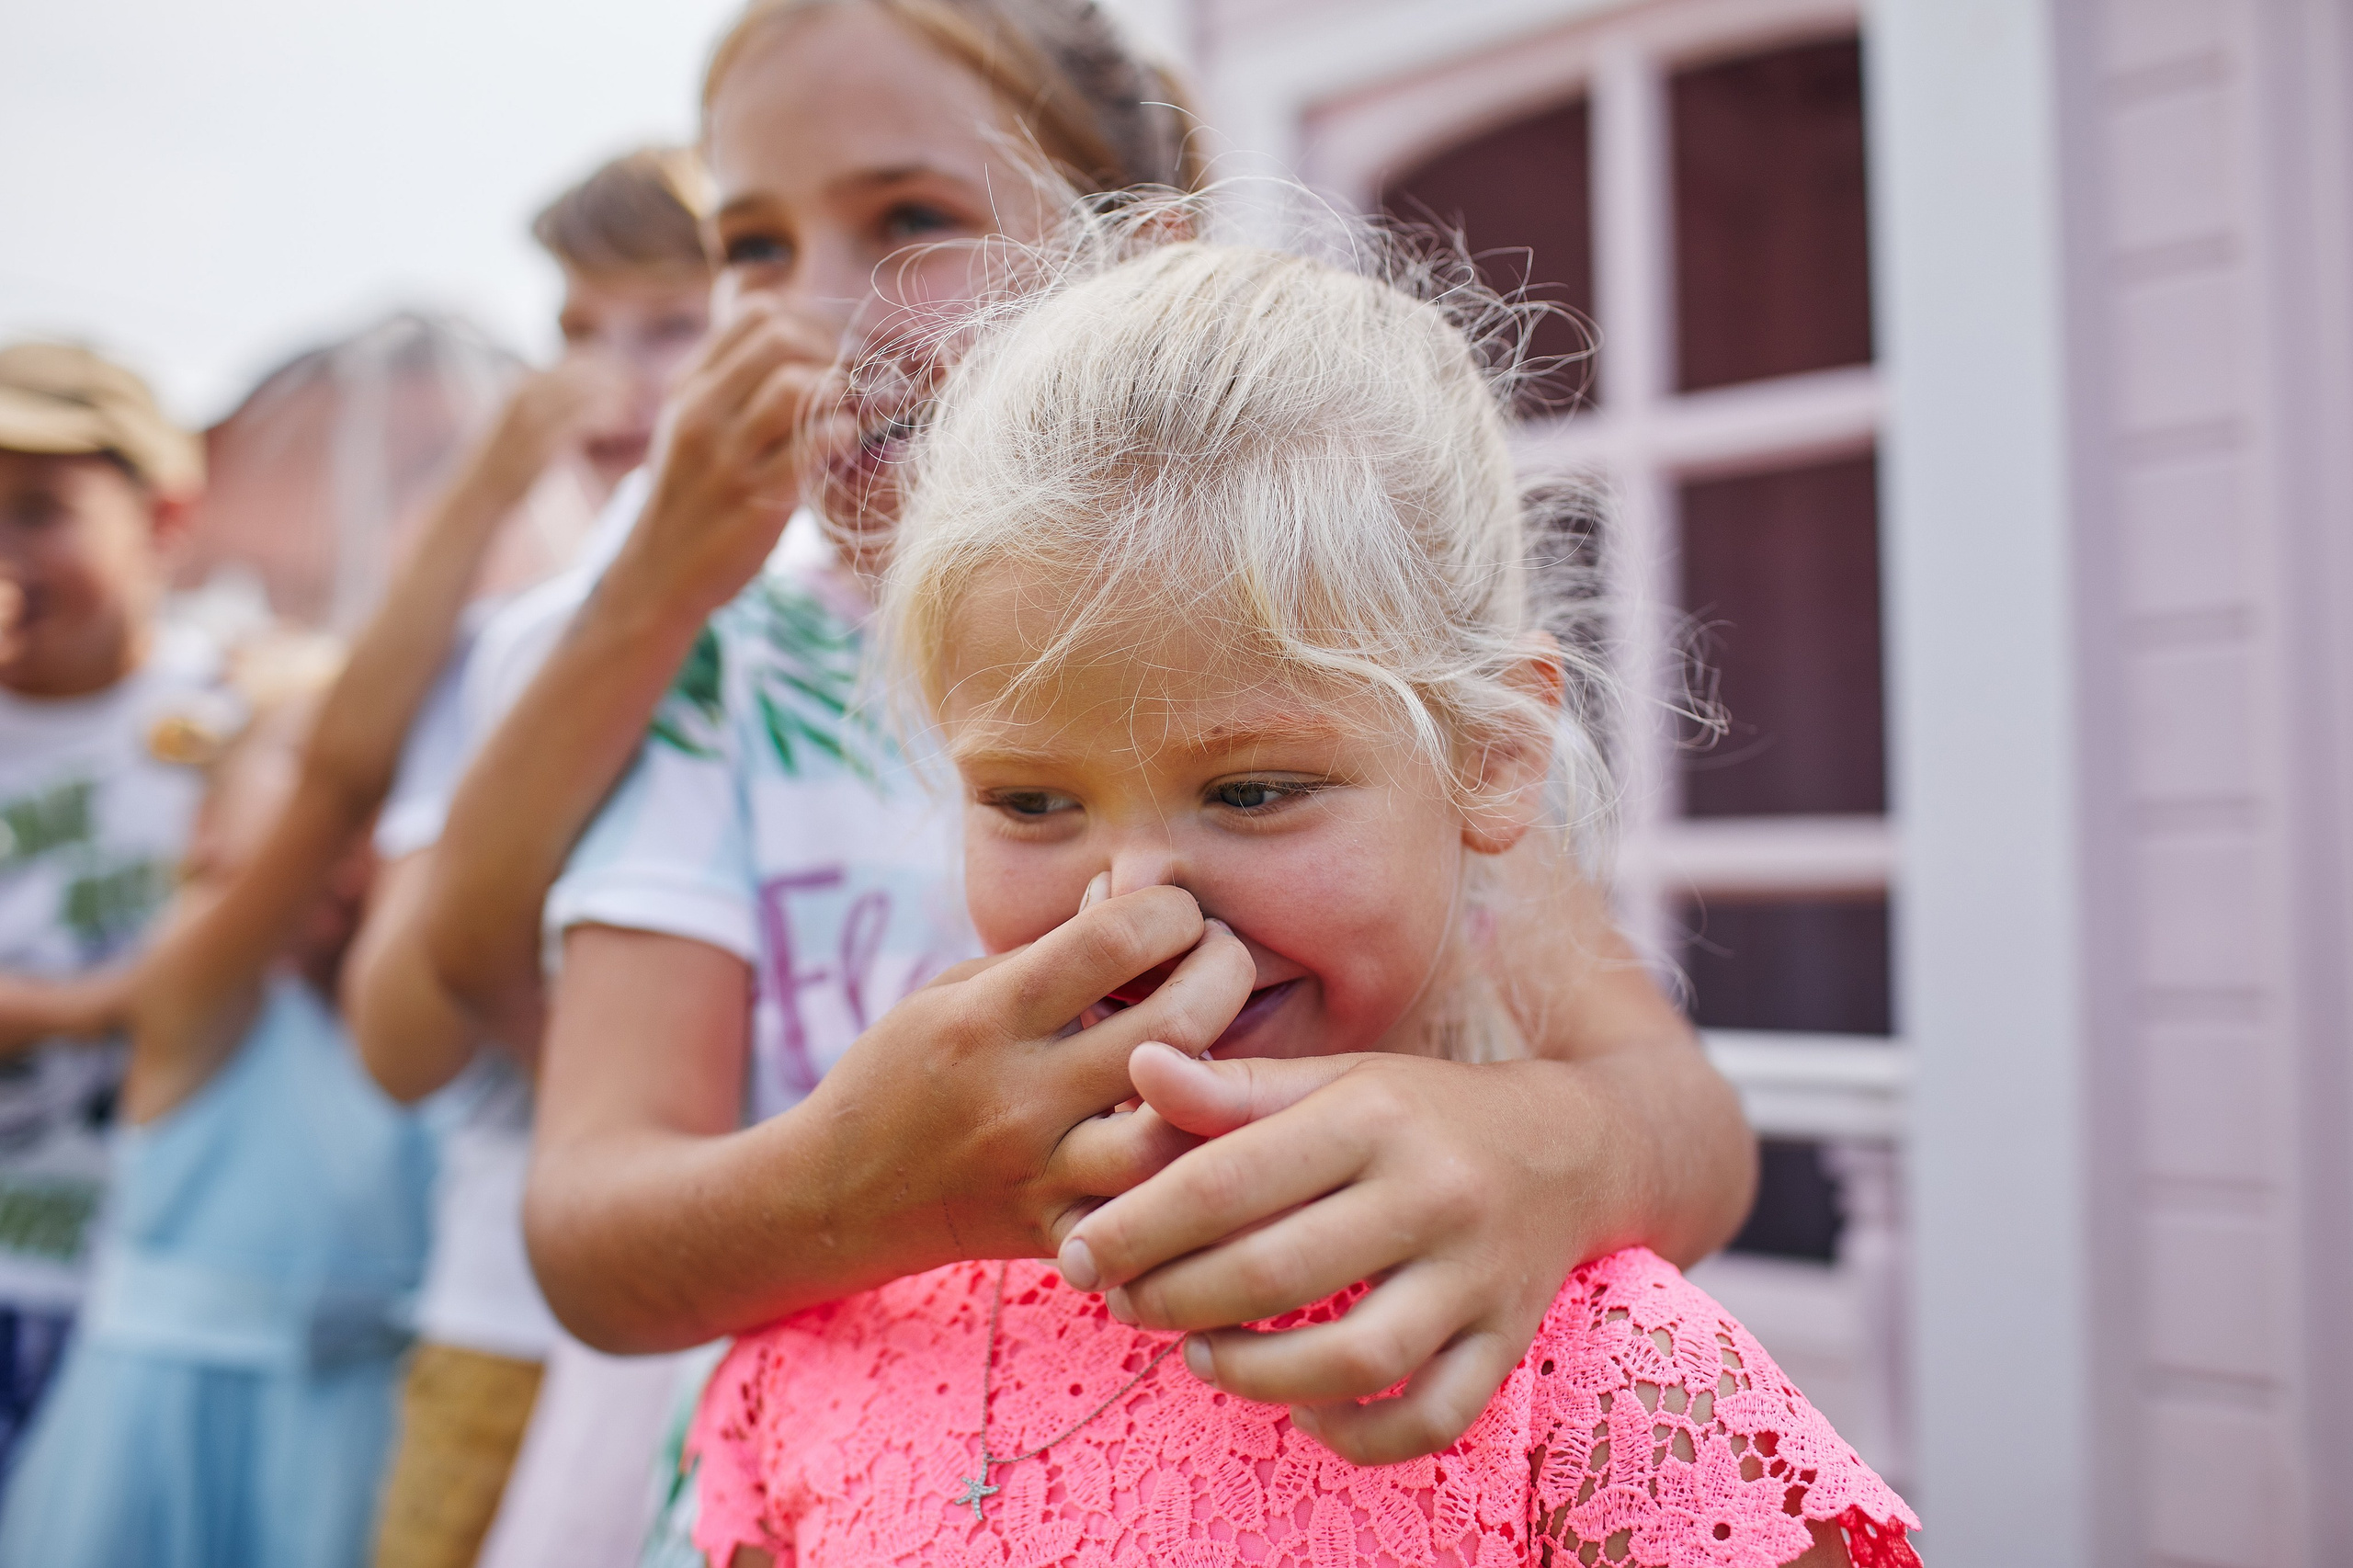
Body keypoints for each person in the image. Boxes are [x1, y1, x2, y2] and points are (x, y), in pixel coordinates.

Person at [385, 0, 1747, 1510]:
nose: (809, 317)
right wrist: (863, 1180)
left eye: (911, 219)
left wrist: (1533, 1153)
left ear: (1138, 257)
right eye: (752, 246)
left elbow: (1684, 1117)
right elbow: (584, 1229)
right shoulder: (724, 677)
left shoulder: (1334, 670)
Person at [688, 233, 1920, 1568]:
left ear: (1493, 753)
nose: (1132, 904)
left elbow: (1684, 1118)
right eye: (1033, 802)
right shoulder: (835, 1350)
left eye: (1255, 790)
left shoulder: (1610, 1375)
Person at [0, 339, 554, 1565]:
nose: (349, 842)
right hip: (145, 1419)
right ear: (205, 828)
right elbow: (345, 760)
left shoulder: (412, 1023)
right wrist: (482, 494)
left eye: (377, 823)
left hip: (340, 1435)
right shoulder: (205, 991)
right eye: (313, 810)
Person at [340, 149, 712, 1568]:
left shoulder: (864, 614)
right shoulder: (527, 640)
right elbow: (400, 1032)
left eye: (666, 326)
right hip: (510, 1306)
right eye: (570, 332)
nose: (596, 382)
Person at [0, 342, 219, 1474]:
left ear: (165, 519)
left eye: (39, 510)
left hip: (142, 1303)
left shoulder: (231, 722)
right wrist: (95, 1003)